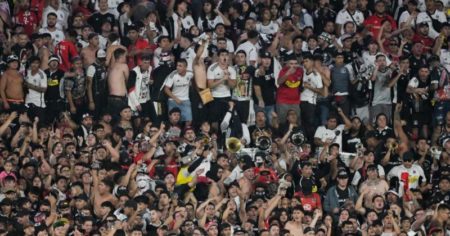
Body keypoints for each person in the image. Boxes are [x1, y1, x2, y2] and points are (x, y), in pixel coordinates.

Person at [107, 48, 129, 119]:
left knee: (114, 120)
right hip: (119, 99)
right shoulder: (124, 66)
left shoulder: (110, 68)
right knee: (122, 120)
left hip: (111, 98)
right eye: (125, 56)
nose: (126, 58)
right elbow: (127, 80)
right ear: (122, 56)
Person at [86, 49, 108, 119]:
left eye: (103, 59)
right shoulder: (92, 68)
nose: (102, 61)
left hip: (103, 95)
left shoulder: (103, 67)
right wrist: (91, 101)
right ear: (96, 58)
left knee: (102, 116)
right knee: (94, 116)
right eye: (100, 59)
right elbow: (88, 86)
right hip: (95, 96)